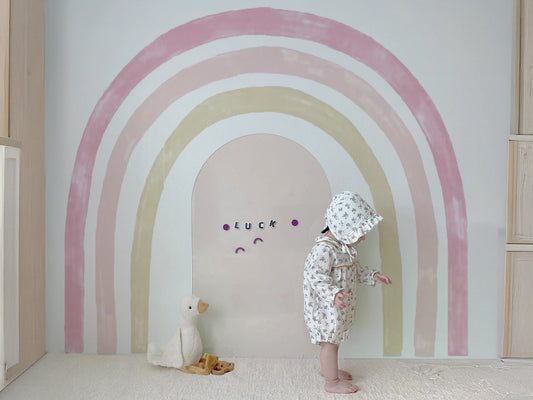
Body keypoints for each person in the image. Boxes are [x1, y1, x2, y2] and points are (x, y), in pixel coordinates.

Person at [303, 191, 392, 394]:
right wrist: (333, 294)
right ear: (344, 229)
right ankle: (331, 381)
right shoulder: (324, 250)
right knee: (330, 344)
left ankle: (330, 370)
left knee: (334, 342)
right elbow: (314, 276)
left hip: (338, 310)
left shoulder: (344, 249)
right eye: (359, 233)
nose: (362, 238)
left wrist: (373, 276)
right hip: (325, 311)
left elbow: (354, 271)